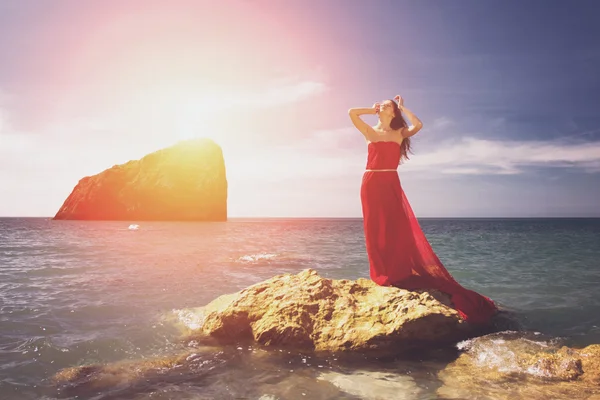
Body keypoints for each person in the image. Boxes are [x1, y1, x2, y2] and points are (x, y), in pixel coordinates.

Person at [348, 96, 497, 324]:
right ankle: (381, 273)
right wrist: (372, 109)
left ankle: (397, 271)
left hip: (390, 182)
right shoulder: (369, 131)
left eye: (390, 105)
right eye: (384, 104)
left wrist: (404, 107)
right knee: (374, 227)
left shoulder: (399, 133)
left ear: (395, 112)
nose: (386, 106)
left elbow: (418, 125)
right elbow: (351, 112)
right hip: (370, 182)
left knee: (396, 227)